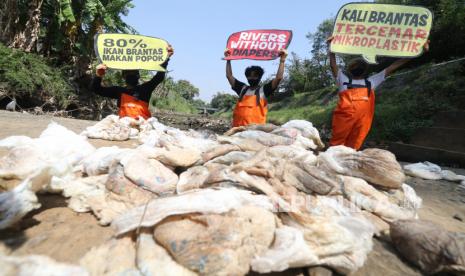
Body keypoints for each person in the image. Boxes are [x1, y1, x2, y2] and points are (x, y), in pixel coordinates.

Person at [327, 37, 429, 150]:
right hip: (357, 121)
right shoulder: (371, 81)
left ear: (350, 70)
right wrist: (419, 51)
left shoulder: (344, 80)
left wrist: (332, 47)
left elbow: (333, 65)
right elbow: (395, 65)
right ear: (365, 70)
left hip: (348, 120)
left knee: (343, 147)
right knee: (347, 147)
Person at [91, 45, 174, 120]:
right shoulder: (118, 91)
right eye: (128, 73)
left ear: (138, 76)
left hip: (143, 125)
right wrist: (99, 75)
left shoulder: (145, 89)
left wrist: (166, 58)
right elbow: (97, 89)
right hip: (124, 125)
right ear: (124, 76)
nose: (131, 75)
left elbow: (159, 77)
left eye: (133, 73)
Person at [224, 48, 288, 127]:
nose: (252, 78)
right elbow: (229, 76)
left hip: (256, 132)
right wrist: (228, 60)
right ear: (247, 77)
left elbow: (278, 78)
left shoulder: (264, 90)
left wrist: (282, 60)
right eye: (249, 76)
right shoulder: (242, 88)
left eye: (255, 76)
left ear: (259, 77)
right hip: (237, 130)